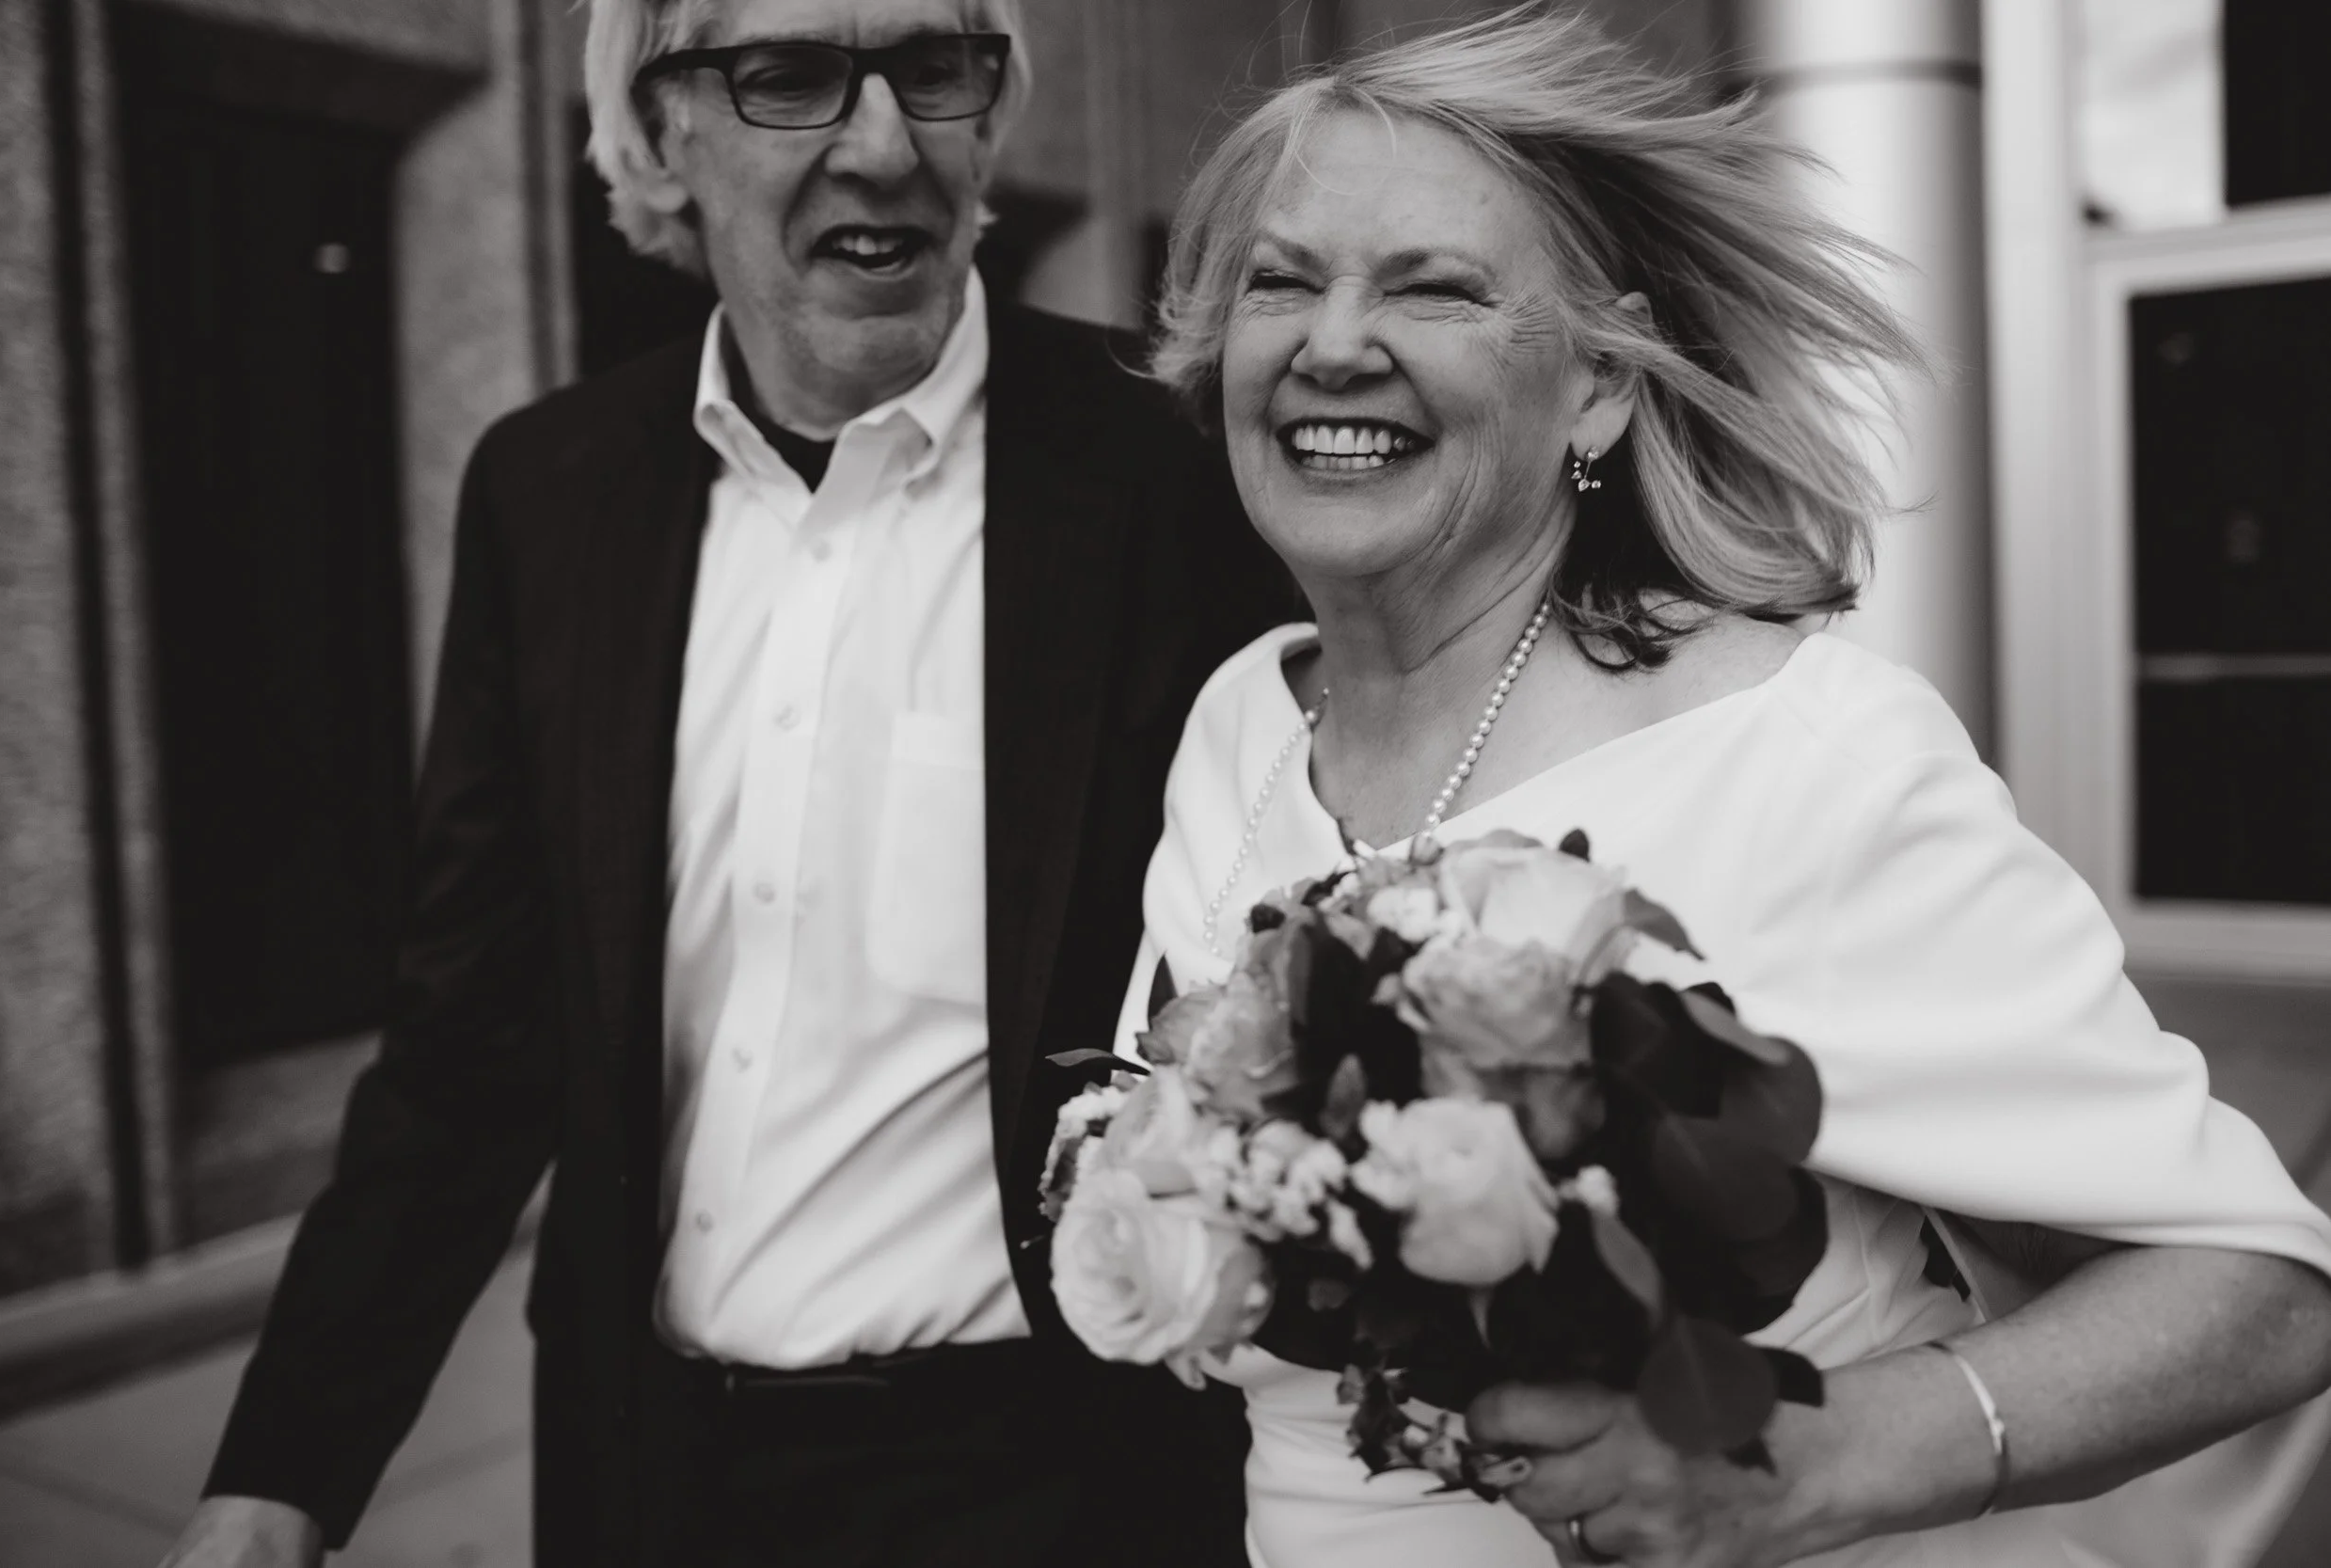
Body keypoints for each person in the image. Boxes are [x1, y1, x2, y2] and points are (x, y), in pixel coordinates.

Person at [1114, 8, 2331, 1566]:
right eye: (1284, 279)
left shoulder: (1804, 756)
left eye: (1435, 287)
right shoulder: (1241, 727)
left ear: (1603, 392)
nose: (1333, 342)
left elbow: (2259, 1287)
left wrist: (1816, 1462)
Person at [159, 2, 1286, 1565]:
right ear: (660, 127)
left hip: (1062, 1482)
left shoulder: (1177, 465)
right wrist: (279, 1470)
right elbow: (467, 1047)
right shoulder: (547, 495)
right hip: (651, 1480)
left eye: (934, 69)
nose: (884, 143)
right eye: (791, 78)